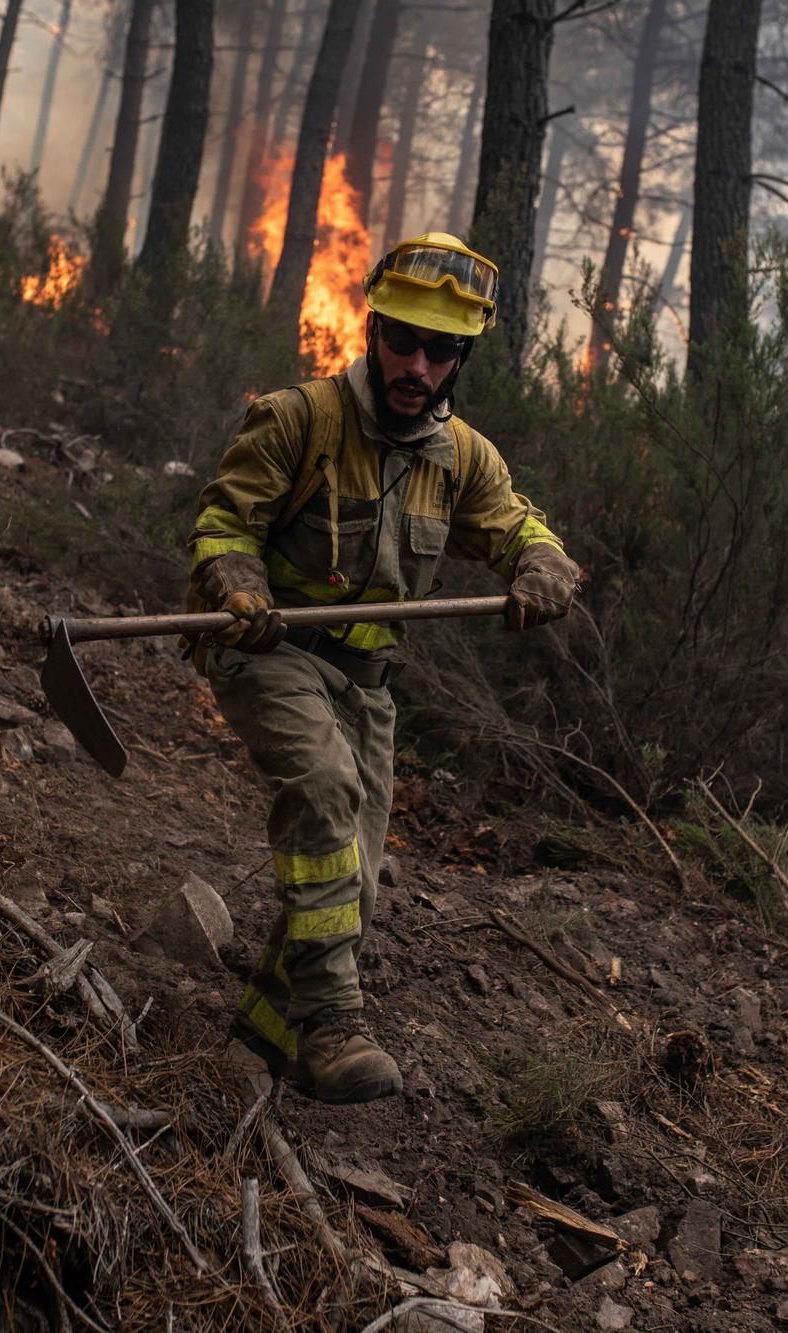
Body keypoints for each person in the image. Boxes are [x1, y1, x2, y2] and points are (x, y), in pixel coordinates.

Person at [186, 232, 584, 1103]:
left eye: (440, 349)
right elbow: (223, 523)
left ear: (462, 358)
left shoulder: (462, 458)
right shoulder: (300, 419)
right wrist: (238, 579)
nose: (417, 362)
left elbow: (517, 525)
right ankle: (333, 1025)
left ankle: (252, 1053)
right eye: (403, 337)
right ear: (372, 330)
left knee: (350, 883)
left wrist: (542, 563)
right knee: (325, 791)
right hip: (273, 651)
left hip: (367, 686)